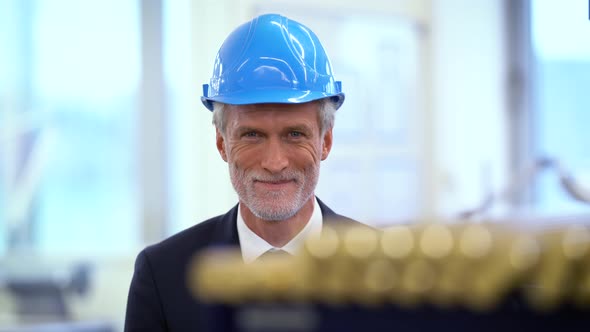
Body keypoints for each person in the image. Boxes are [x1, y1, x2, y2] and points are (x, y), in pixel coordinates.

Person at [124, 13, 364, 332]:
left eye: (295, 134)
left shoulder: (389, 274)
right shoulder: (163, 276)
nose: (275, 162)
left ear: (326, 141)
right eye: (252, 135)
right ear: (222, 143)